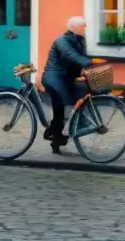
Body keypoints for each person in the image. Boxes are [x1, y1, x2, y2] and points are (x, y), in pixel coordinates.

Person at [40, 16, 93, 154]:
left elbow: (84, 53)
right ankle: (55, 139)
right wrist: (89, 62)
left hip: (66, 78)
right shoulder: (61, 41)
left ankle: (53, 132)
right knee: (62, 107)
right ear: (75, 29)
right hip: (54, 77)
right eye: (83, 27)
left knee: (72, 102)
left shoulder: (79, 39)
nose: (85, 29)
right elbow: (71, 55)